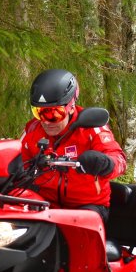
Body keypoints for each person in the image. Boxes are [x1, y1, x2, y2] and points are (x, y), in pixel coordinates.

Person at [19, 69, 126, 222]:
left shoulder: (91, 128)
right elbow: (14, 159)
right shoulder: (32, 130)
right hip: (46, 204)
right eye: (39, 112)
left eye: (54, 113)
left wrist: (105, 163)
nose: (46, 121)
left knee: (75, 226)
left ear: (71, 107)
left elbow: (120, 161)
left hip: (87, 206)